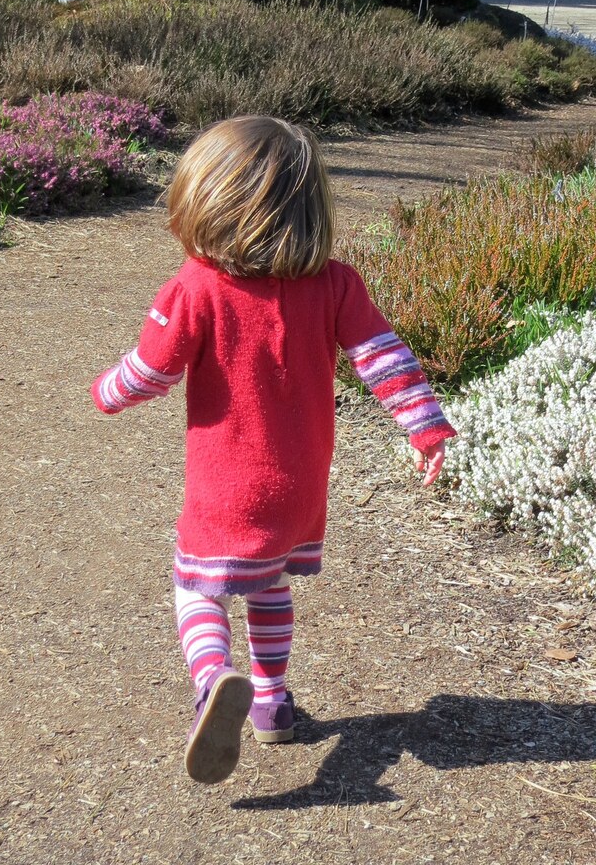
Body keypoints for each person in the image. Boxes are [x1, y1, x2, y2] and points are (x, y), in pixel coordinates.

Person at [91, 115, 456, 785]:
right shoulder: (337, 283)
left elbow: (151, 372)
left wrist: (106, 391)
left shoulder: (195, 287)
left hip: (226, 487)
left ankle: (213, 682)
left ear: (207, 203)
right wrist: (425, 427)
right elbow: (386, 360)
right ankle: (270, 704)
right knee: (269, 584)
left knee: (196, 587)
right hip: (300, 491)